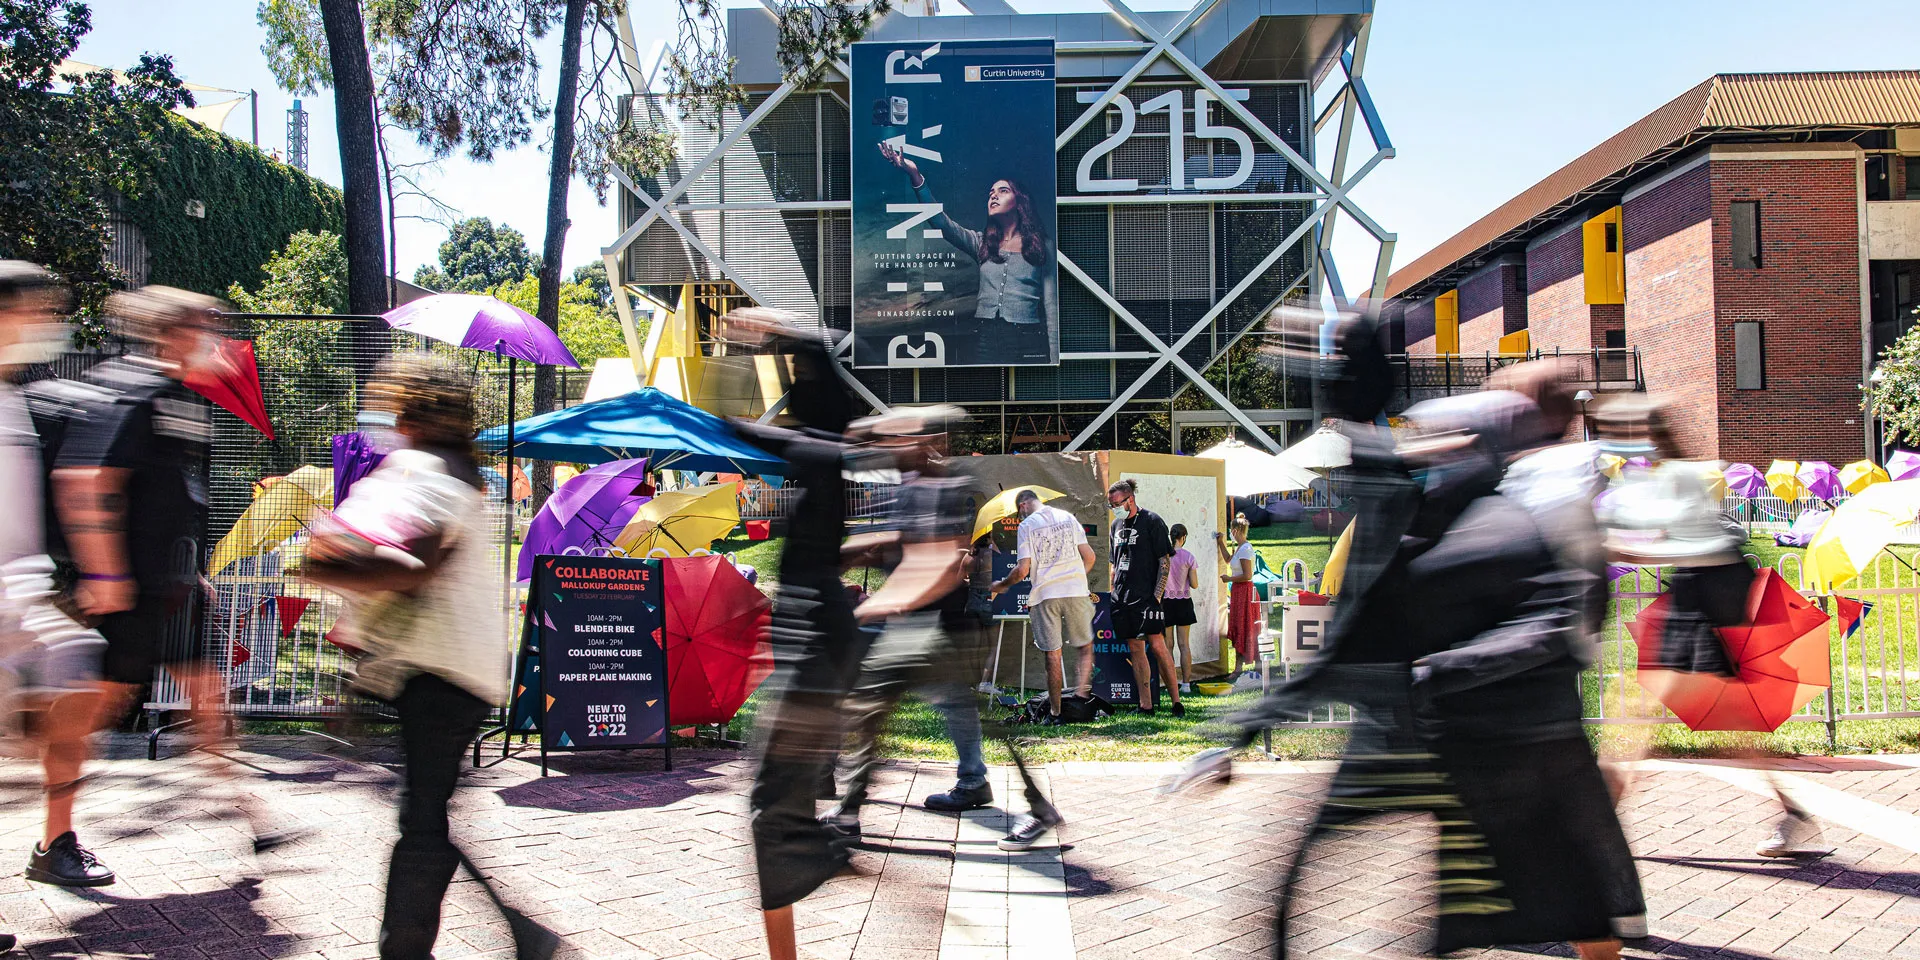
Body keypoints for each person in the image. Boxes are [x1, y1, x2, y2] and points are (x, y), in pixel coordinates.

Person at [304, 354, 551, 960]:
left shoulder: (423, 468)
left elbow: (413, 565)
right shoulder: (457, 470)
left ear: (407, 412)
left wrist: (326, 559)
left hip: (438, 669)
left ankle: (414, 947)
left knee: (423, 815)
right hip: (456, 667)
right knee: (429, 808)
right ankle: (514, 933)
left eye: (388, 407)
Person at [52, 286, 295, 872]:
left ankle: (254, 819)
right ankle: (54, 841)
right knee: (89, 718)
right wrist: (104, 573)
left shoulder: (186, 400)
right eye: (204, 328)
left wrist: (191, 573)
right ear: (171, 335)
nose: (215, 339)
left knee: (209, 704)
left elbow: (172, 499)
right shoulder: (132, 393)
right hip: (127, 594)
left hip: (175, 592)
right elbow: (85, 481)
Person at [1593, 394, 1824, 860]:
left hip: (1715, 588)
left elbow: (1688, 542)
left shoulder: (1679, 476)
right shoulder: (1656, 476)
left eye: (1618, 433)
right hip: (1698, 588)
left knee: (1653, 703)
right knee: (1661, 704)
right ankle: (1792, 813)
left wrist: (1619, 548)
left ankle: (1604, 821)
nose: (1615, 443)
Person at [721, 309, 868, 960]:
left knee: (772, 809)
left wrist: (772, 338)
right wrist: (779, 339)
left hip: (814, 641)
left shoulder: (816, 452)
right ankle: (818, 845)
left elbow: (750, 430)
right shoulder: (830, 457)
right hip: (818, 637)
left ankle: (820, 850)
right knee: (778, 806)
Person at [0, 264, 110, 903]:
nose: (49, 324)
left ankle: (54, 840)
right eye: (37, 311)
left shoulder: (12, 398)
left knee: (80, 673)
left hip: (19, 600)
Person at [877, 142, 1058, 360]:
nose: (994, 196)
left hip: (1028, 337)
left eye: (1003, 191)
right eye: (991, 193)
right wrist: (914, 174)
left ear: (1020, 201)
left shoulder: (1042, 245)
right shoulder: (981, 243)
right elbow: (940, 222)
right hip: (985, 336)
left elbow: (1051, 304)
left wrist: (1054, 355)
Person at [989, 489, 1095, 723]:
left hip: (1046, 594)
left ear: (1023, 505)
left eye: (1018, 513)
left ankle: (1056, 713)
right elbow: (1090, 557)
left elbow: (1022, 570)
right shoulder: (1068, 517)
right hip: (1076, 590)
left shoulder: (1027, 525)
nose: (1019, 517)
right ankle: (1081, 697)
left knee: (1053, 654)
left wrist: (1002, 585)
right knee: (1084, 646)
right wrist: (1076, 578)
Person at [1106, 479, 1183, 716]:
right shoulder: (1116, 526)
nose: (1114, 508)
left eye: (1117, 504)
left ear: (1130, 499)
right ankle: (1145, 704)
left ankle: (1176, 702)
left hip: (1147, 596)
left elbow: (1164, 561)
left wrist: (1157, 597)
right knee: (1135, 648)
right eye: (1111, 505)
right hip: (1122, 598)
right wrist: (1113, 590)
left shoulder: (1152, 521)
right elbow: (1114, 563)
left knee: (1158, 645)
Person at [1214, 515, 1257, 681]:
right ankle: (1238, 667)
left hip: (1245, 591)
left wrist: (1229, 579)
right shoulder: (1239, 547)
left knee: (1244, 627)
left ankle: (1240, 668)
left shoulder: (1245, 548)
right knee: (1239, 627)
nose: (1230, 532)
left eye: (1231, 530)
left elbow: (1247, 575)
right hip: (1238, 590)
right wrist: (1220, 543)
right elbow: (1228, 560)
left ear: (1237, 530)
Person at [1162, 524, 1202, 692]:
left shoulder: (1164, 556)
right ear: (1183, 537)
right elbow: (1194, 584)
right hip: (1183, 601)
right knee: (1184, 645)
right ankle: (1186, 684)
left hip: (1166, 602)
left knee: (1168, 645)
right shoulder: (1188, 556)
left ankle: (1171, 684)